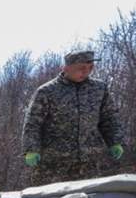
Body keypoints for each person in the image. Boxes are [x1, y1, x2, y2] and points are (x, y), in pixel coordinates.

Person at [22, 50, 124, 185]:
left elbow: (109, 117)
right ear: (66, 68)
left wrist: (115, 141)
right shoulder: (47, 91)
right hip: (53, 163)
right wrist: (31, 149)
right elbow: (33, 123)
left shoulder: (99, 89)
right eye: (81, 68)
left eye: (90, 68)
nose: (86, 72)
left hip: (90, 161)